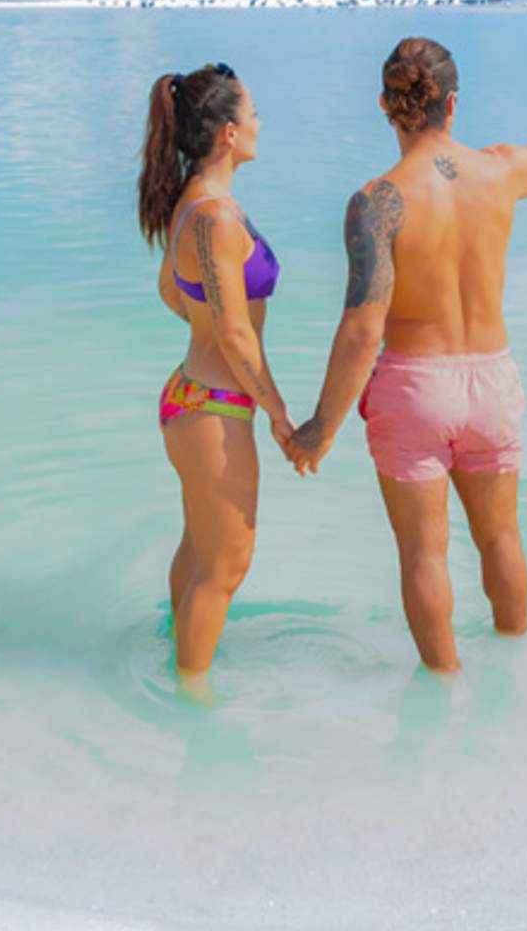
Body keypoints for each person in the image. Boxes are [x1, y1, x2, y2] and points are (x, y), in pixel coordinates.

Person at [286, 37, 527, 672]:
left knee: (424, 557)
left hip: (415, 389)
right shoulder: (499, 171)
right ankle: (516, 667)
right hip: (492, 380)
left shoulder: (377, 202)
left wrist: (319, 430)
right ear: (453, 104)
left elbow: (362, 330)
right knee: (501, 537)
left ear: (384, 103)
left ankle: (444, 688)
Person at [138, 61, 292, 682]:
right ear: (229, 132)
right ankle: (191, 698)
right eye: (252, 113)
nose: (259, 123)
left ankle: (178, 659)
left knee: (200, 551)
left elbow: (169, 292)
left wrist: (205, 329)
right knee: (225, 566)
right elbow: (234, 332)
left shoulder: (191, 204)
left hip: (189, 396)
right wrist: (282, 417)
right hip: (217, 408)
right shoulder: (218, 217)